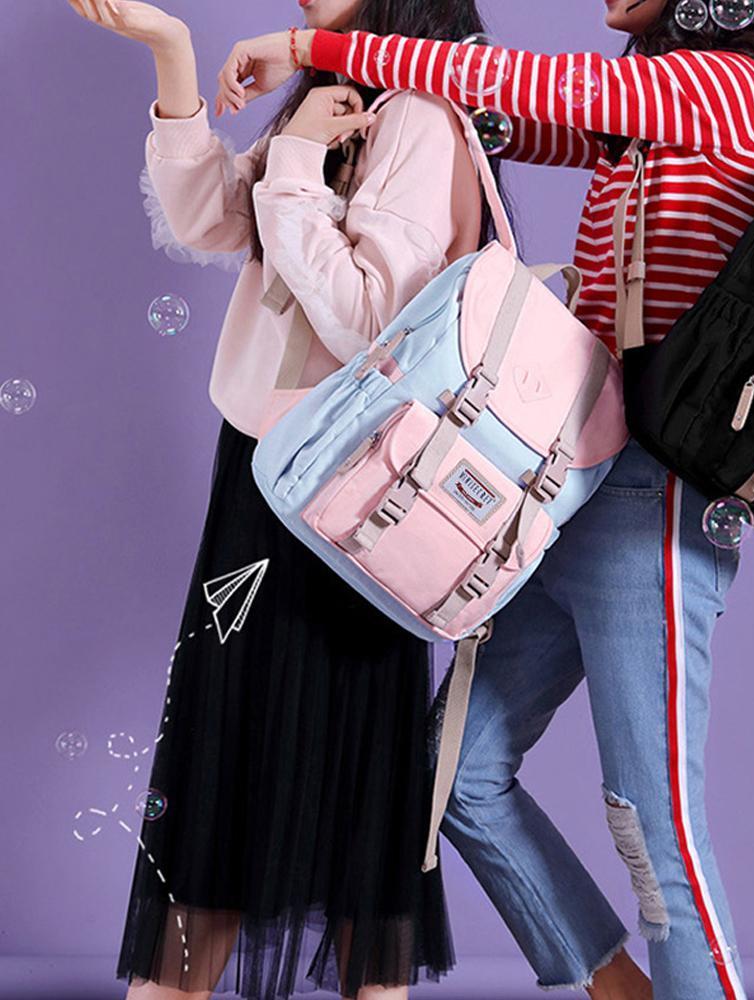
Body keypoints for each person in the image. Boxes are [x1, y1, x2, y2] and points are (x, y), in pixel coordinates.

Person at [212, 1, 754, 998]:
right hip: (572, 482)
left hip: (657, 499)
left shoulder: (719, 86)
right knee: (457, 773)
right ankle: (619, 987)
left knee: (655, 819)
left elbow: (526, 85)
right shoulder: (644, 108)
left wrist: (311, 47)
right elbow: (504, 115)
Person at [63, 1, 505, 998]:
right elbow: (210, 220)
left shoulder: (420, 116)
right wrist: (174, 53)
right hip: (273, 469)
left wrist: (299, 159)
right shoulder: (350, 96)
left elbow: (368, 323)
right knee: (259, 745)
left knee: (317, 752)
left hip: (339, 486)